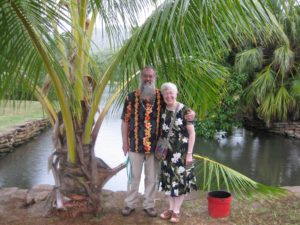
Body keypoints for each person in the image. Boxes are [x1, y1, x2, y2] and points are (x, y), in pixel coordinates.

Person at [120, 66, 195, 217]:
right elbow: (125, 122)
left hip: (156, 148)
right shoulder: (131, 97)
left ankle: (149, 204)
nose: (147, 79)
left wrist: (191, 113)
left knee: (151, 179)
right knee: (134, 177)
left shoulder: (161, 97)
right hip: (135, 145)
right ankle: (130, 204)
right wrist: (124, 143)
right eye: (145, 76)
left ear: (155, 78)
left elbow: (176, 105)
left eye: (151, 76)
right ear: (141, 77)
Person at [158, 82, 197, 223]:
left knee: (180, 182)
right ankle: (170, 208)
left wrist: (189, 154)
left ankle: (176, 211)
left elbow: (192, 134)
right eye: (166, 93)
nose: (169, 95)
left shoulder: (184, 110)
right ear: (162, 96)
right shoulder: (162, 109)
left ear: (176, 93)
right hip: (166, 153)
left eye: (171, 93)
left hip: (180, 153)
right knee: (168, 181)